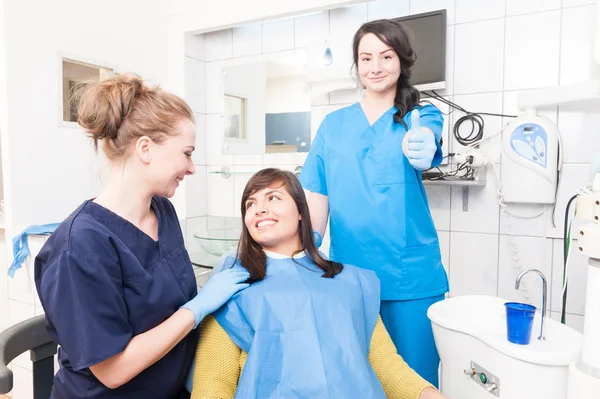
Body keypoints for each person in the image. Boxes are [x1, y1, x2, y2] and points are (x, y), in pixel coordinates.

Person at [34, 73, 249, 399]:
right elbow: (113, 370)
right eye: (187, 153)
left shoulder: (162, 210)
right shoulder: (79, 248)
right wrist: (197, 308)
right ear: (145, 148)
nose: (191, 168)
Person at [187, 168, 448, 399]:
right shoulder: (232, 287)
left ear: (302, 212)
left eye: (273, 198)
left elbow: (387, 367)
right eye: (250, 204)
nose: (259, 208)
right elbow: (213, 383)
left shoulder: (351, 282)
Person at [299, 19, 449, 387]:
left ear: (402, 61)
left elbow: (428, 138)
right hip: (349, 276)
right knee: (359, 378)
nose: (376, 66)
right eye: (366, 58)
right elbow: (317, 197)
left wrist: (425, 146)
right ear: (356, 65)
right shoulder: (333, 126)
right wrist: (307, 249)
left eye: (386, 56)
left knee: (416, 379)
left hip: (410, 276)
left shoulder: (419, 114)